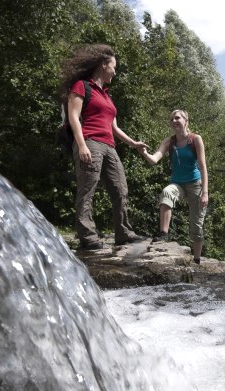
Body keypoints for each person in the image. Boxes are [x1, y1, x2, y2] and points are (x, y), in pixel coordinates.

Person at [60, 44, 146, 249]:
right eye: (113, 67)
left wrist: (133, 143)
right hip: (90, 142)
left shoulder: (107, 96)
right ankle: (87, 236)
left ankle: (123, 232)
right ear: (102, 65)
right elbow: (73, 117)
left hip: (109, 147)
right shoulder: (82, 86)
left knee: (120, 188)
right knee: (88, 188)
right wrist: (81, 146)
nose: (115, 71)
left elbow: (114, 127)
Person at [139, 110, 209, 264]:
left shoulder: (195, 139)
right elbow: (154, 159)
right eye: (172, 119)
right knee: (166, 192)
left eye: (177, 118)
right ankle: (163, 234)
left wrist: (205, 192)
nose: (174, 121)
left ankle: (197, 259)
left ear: (186, 120)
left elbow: (203, 167)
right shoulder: (169, 142)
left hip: (195, 184)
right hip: (177, 183)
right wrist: (144, 152)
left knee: (196, 226)